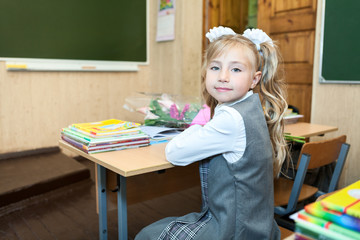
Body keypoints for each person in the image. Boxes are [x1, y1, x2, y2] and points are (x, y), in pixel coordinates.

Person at [135, 26, 288, 240]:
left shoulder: (230, 120)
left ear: (255, 79)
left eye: (236, 70)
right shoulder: (251, 108)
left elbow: (174, 153)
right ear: (206, 71)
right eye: (215, 67)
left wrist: (198, 127)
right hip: (258, 226)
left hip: (233, 230)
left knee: (146, 235)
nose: (223, 77)